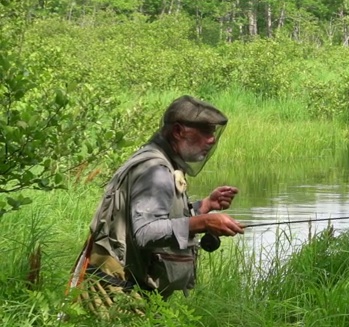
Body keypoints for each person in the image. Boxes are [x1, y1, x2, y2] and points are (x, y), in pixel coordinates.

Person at [69, 95, 245, 304]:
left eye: (213, 132)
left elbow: (155, 216)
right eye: (205, 131)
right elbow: (145, 232)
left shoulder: (159, 160)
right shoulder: (156, 171)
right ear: (179, 131)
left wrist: (204, 207)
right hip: (115, 293)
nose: (212, 139)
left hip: (126, 288)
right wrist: (204, 222)